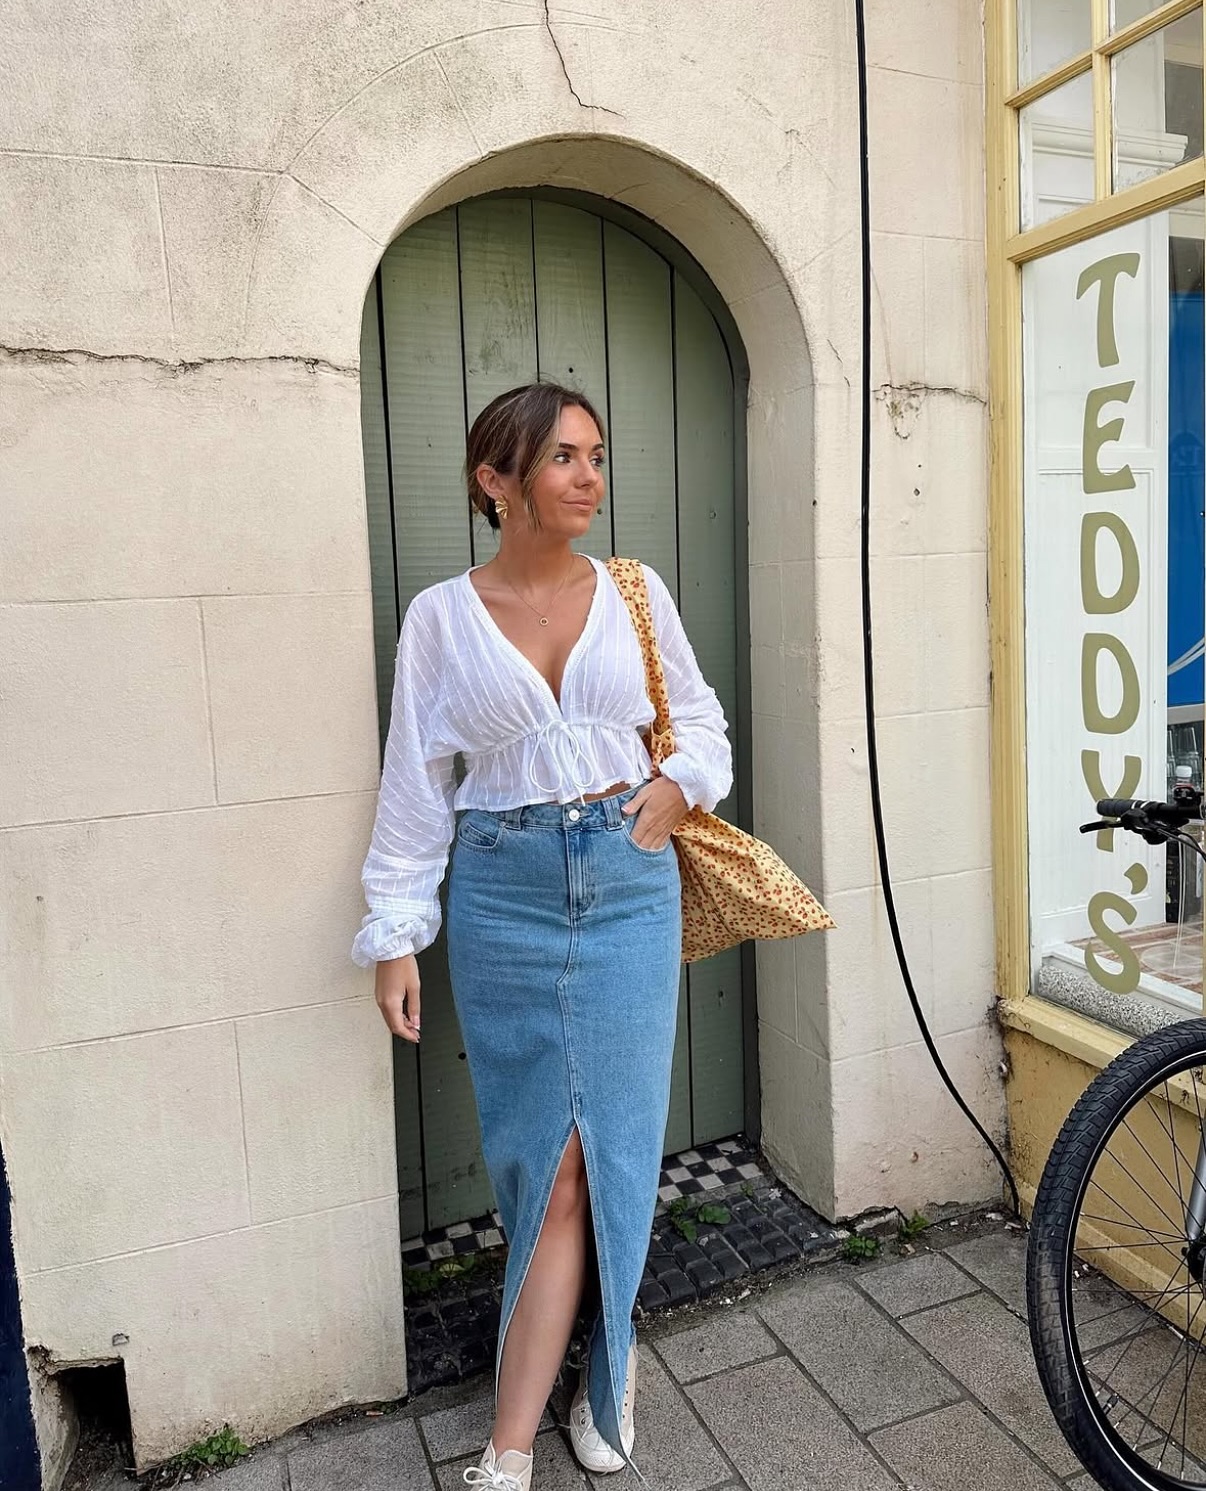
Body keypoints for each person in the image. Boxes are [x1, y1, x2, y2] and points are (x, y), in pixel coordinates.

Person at [351, 382, 733, 1491]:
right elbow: (416, 782)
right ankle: (521, 1427)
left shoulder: (636, 591)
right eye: (564, 456)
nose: (589, 477)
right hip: (503, 892)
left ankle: (596, 1378)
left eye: (596, 455)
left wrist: (676, 787)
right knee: (546, 1162)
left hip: (627, 882)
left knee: (614, 1147)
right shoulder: (440, 618)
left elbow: (699, 721)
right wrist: (395, 932)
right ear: (496, 480)